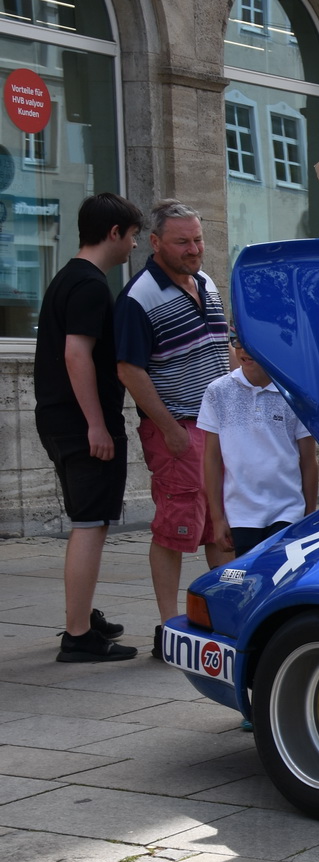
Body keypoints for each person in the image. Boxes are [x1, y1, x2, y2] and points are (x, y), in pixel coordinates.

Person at [115, 200, 234, 654]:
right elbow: (129, 369)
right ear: (156, 242)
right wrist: (170, 431)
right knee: (176, 527)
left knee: (219, 525)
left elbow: (220, 349)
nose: (194, 249)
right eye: (183, 241)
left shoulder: (206, 283)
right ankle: (169, 628)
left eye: (198, 239)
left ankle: (216, 620)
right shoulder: (139, 297)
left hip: (216, 427)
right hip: (178, 428)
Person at [34, 193, 145, 662]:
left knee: (88, 518)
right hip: (80, 424)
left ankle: (81, 615)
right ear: (114, 233)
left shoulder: (67, 279)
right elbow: (75, 355)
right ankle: (78, 636)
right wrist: (97, 425)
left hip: (58, 419)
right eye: (133, 235)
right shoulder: (90, 286)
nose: (133, 246)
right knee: (90, 523)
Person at [197, 336, 318, 558]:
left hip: (288, 510)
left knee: (280, 578)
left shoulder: (295, 393)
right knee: (250, 583)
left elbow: (309, 461)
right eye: (237, 343)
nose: (244, 350)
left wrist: (310, 515)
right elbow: (211, 458)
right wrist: (217, 518)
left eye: (251, 341)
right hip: (241, 514)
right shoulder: (218, 391)